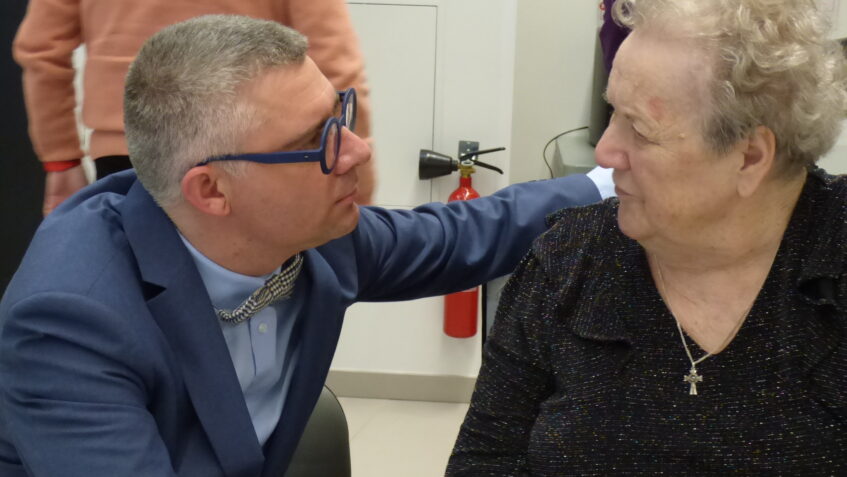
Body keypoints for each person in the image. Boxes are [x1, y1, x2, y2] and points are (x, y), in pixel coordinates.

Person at [0, 15, 608, 477]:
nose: (357, 151)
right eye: (316, 141)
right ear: (211, 191)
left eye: (340, 115)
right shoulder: (70, 324)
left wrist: (611, 178)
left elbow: (459, 236)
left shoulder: (314, 237)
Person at [448, 0, 847, 474]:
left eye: (639, 128)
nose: (605, 151)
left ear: (750, 157)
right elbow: (485, 460)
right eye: (612, 112)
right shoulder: (567, 261)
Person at [13, 0, 378, 215]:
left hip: (128, 156)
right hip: (253, 157)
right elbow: (335, 57)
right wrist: (356, 173)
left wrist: (61, 160)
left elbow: (42, 49)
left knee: (134, 305)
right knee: (261, 310)